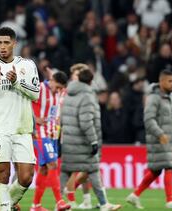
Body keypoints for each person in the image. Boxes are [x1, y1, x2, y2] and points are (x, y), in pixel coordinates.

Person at [0, 27, 40, 210]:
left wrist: (17, 83)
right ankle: (4, 208)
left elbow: (36, 94)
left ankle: (5, 205)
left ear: (14, 43)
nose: (2, 46)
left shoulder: (27, 66)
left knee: (26, 177)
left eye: (6, 42)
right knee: (3, 174)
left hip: (22, 130)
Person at [126, 70, 172, 210]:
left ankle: (135, 195)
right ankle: (170, 201)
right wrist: (160, 134)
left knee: (156, 170)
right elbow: (149, 120)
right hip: (158, 139)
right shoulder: (153, 98)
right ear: (161, 82)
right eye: (169, 81)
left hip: (167, 139)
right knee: (168, 165)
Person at [60, 68, 122, 211]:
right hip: (83, 141)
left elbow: (62, 116)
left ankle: (60, 201)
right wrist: (93, 141)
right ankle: (104, 204)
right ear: (90, 81)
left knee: (67, 170)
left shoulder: (68, 94)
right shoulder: (87, 96)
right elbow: (86, 121)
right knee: (93, 170)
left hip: (69, 139)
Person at [31, 71, 70, 211]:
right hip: (40, 134)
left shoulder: (59, 91)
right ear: (51, 80)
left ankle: (36, 205)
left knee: (44, 169)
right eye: (57, 87)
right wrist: (34, 118)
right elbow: (22, 102)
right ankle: (59, 201)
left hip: (53, 134)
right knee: (53, 164)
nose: (59, 90)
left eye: (61, 88)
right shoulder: (39, 88)